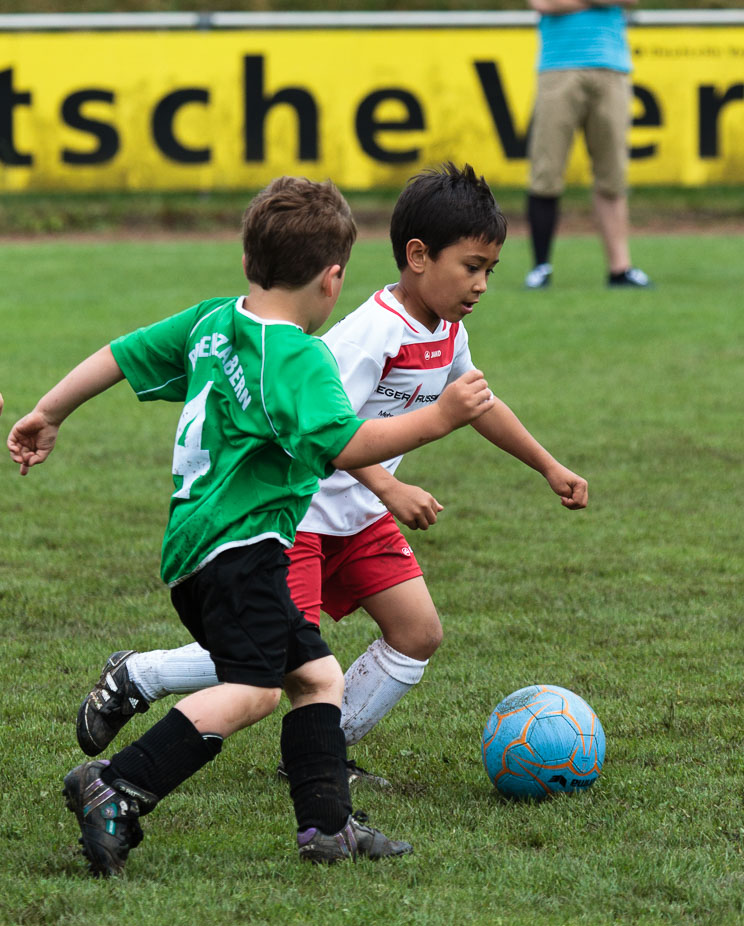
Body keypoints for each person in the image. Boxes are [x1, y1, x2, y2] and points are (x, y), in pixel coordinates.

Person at [7, 175, 496, 877]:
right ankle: (115, 785)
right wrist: (441, 417)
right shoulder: (297, 358)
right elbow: (348, 445)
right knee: (256, 690)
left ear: (248, 262)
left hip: (197, 552)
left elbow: (120, 354)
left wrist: (47, 412)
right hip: (241, 553)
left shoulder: (214, 322)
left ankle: (328, 828)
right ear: (333, 281)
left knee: (318, 676)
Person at [72, 163, 588, 791]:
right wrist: (390, 485)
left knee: (417, 633)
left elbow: (477, 400)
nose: (481, 284)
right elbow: (328, 438)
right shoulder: (370, 333)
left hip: (360, 516)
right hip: (301, 515)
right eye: (472, 266)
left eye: (489, 270)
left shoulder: (447, 326)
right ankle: (140, 676)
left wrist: (547, 465)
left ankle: (321, 746)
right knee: (280, 652)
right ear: (419, 257)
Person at [524, 0, 653, 290]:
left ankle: (620, 268)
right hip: (558, 67)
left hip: (611, 68)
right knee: (546, 171)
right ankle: (540, 267)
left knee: (613, 174)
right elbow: (543, 3)